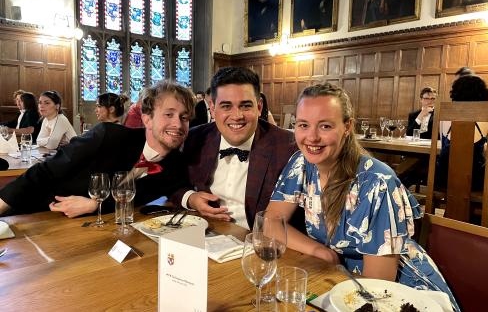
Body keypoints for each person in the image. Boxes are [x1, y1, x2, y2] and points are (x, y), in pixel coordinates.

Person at [267, 83, 461, 312]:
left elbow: (379, 287)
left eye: (325, 126)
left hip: (401, 294)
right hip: (340, 280)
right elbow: (270, 223)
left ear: (347, 127)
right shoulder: (300, 163)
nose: (312, 137)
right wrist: (319, 251)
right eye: (303, 125)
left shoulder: (377, 183)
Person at [0, 80, 195, 217]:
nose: (178, 124)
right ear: (147, 120)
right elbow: (43, 172)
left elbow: (137, 198)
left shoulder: (175, 164)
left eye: (184, 117)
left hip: (90, 230)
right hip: (37, 211)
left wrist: (95, 204)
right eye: (168, 114)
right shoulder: (108, 136)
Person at [170, 66, 298, 230]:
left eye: (245, 106)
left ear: (259, 107)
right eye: (226, 106)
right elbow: (172, 183)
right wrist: (191, 198)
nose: (236, 116)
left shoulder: (288, 148)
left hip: (260, 244)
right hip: (205, 234)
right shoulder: (195, 139)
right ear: (213, 108)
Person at [435, 75, 488, 190]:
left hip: (443, 177)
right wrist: (478, 147)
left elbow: (444, 144)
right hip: (475, 179)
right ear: (482, 93)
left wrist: (464, 146)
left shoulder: (445, 112)